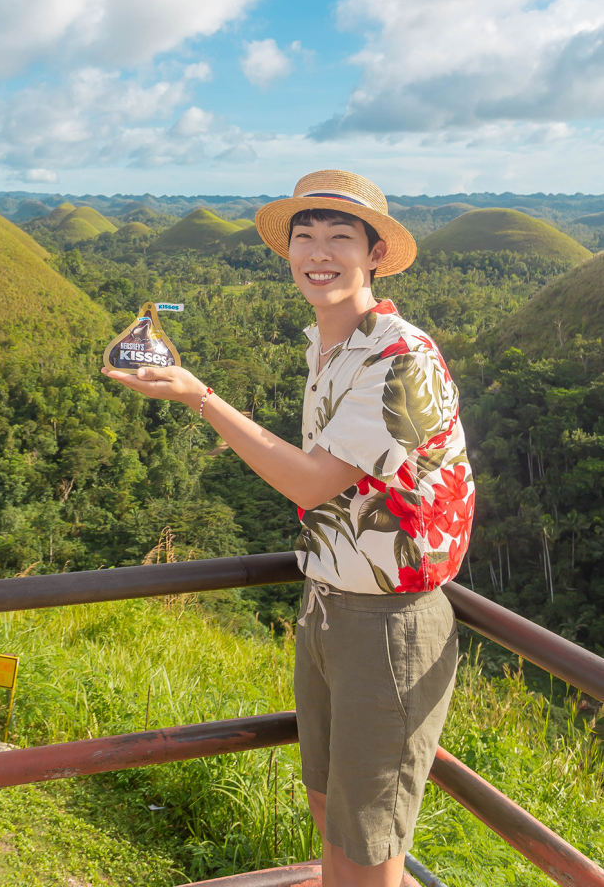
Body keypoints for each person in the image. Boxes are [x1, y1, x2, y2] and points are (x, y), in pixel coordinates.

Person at [101, 169, 475, 887]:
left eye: (341, 236)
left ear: (374, 254)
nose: (319, 251)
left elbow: (309, 480)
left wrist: (200, 396)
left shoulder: (399, 357)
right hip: (329, 609)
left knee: (368, 845)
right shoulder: (332, 347)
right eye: (306, 235)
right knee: (330, 811)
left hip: (390, 626)